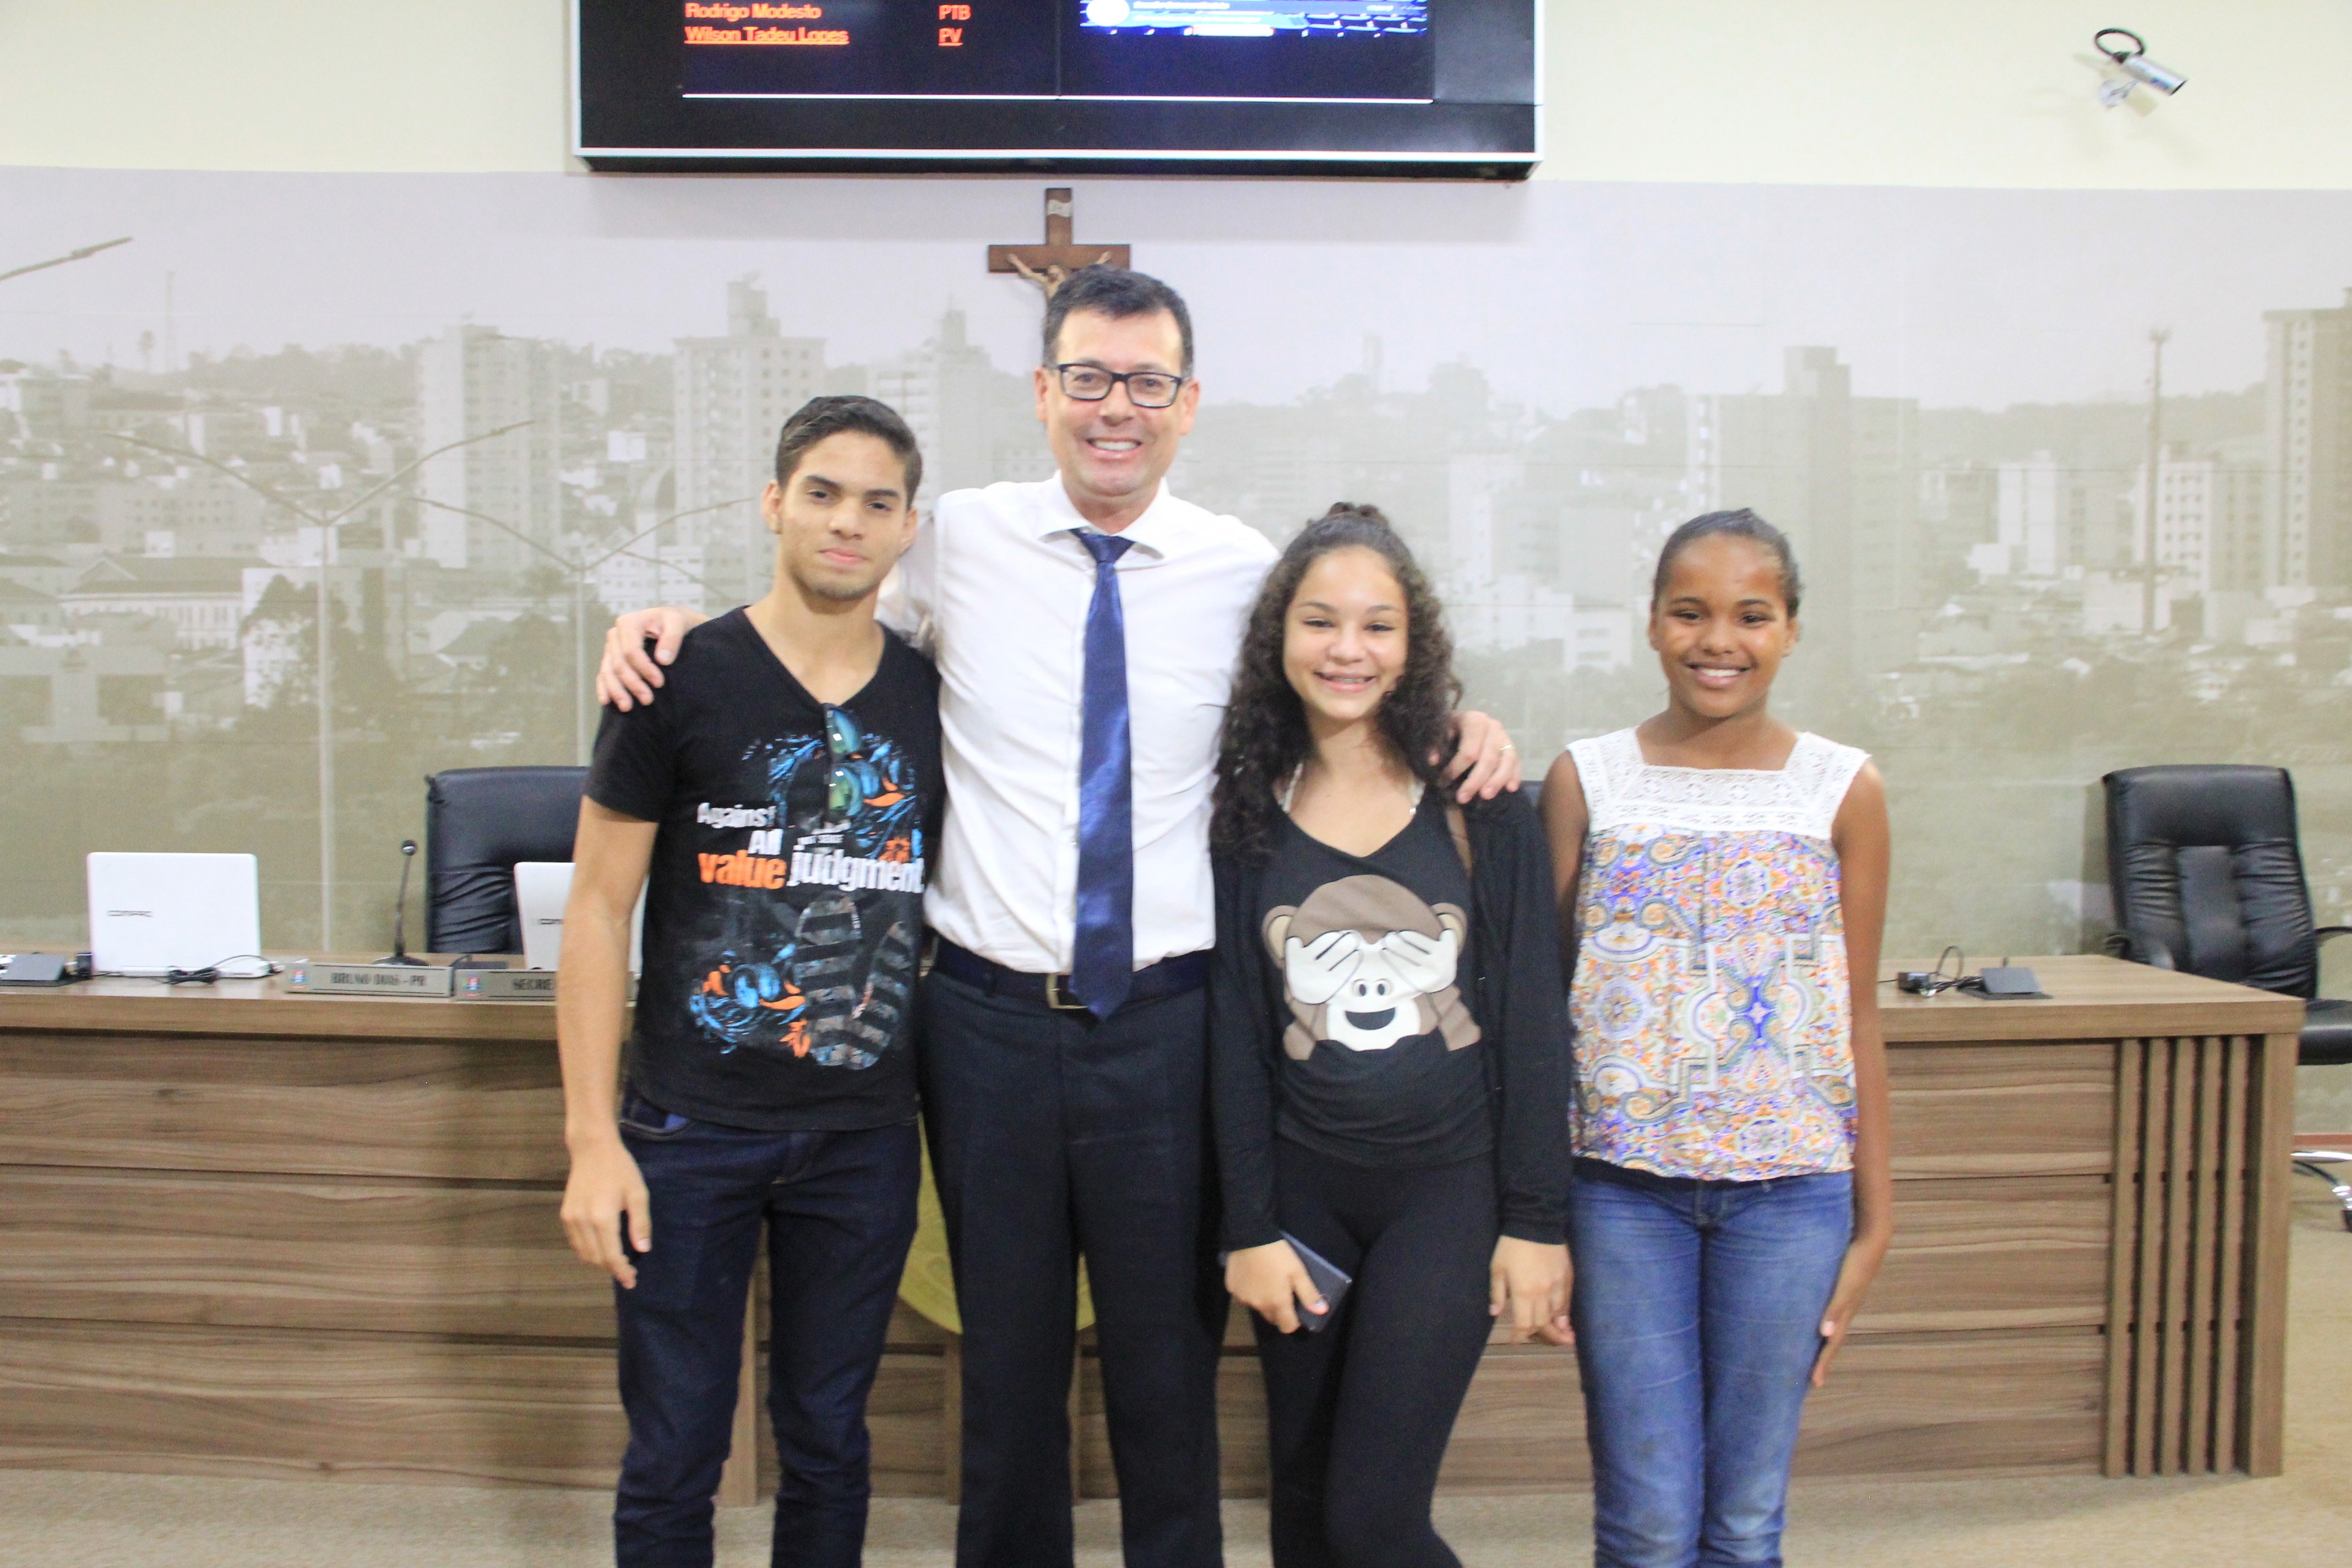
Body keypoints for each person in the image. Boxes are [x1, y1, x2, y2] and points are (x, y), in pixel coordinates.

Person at [595, 267, 1522, 1568]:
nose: (1115, 409)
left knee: (1166, 1380)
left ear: (1188, 405)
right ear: (1043, 393)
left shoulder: (1242, 570)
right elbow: (818, 612)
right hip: (983, 1024)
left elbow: (1345, 689)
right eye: (1087, 378)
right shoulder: (958, 540)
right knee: (1012, 1381)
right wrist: (666, 627)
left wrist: (1460, 725)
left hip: (1173, 1022)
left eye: (1147, 383)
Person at [557, 395, 942, 1568]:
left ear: (907, 530)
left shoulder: (935, 697)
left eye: (878, 503)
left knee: (829, 1437)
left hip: (865, 1131)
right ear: (775, 504)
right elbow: (596, 908)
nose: (847, 522)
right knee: (674, 1448)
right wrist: (590, 1140)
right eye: (822, 492)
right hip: (686, 1128)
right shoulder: (676, 674)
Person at [1208, 505, 1572, 1568]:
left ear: (1414, 647)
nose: (1348, 650)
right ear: (1281, 639)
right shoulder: (1244, 808)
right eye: (1321, 622)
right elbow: (1234, 1030)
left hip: (1445, 1198)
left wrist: (1538, 1223)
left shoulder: (1479, 798)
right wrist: (1248, 1228)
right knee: (1307, 1506)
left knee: (1374, 1518)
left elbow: (1531, 1023)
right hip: (1301, 1200)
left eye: (1378, 626)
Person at [1538, 509, 1893, 1568]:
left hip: (1793, 1198)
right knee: (1645, 1526)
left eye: (1752, 615)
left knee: (1745, 1524)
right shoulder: (1587, 780)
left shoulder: (1842, 788)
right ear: (1651, 624)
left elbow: (1858, 1016)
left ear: (1790, 629)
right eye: (1689, 613)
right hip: (1620, 1195)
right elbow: (1551, 1012)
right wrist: (1537, 1215)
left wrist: (1875, 1225)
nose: (1717, 640)